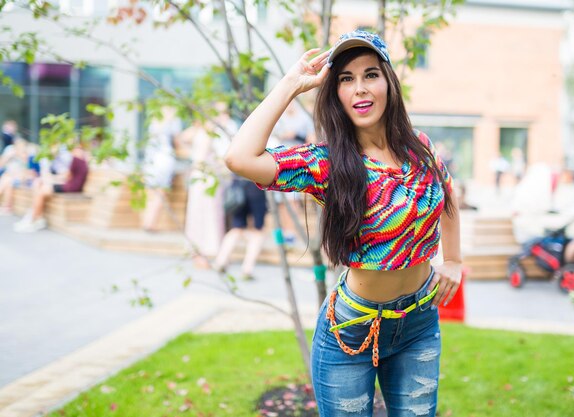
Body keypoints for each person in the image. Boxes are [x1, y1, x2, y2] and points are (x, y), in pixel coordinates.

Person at [223, 30, 461, 416]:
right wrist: (290, 85)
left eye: (370, 74)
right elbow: (239, 157)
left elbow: (448, 196)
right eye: (346, 79)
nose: (359, 88)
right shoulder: (327, 162)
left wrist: (453, 259)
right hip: (350, 329)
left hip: (418, 322)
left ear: (388, 82)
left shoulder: (420, 146)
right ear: (334, 93)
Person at [179, 104, 237, 269]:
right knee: (207, 215)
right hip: (206, 177)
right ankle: (203, 254)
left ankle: (199, 253)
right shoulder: (209, 132)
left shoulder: (201, 130)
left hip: (199, 176)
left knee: (200, 215)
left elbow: (183, 138)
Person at [14, 142, 88, 232]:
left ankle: (33, 219)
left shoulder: (75, 160)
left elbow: (67, 177)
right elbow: (69, 176)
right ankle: (35, 217)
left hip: (70, 187)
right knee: (41, 186)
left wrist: (54, 179)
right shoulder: (83, 161)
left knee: (42, 191)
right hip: (72, 186)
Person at [141, 106, 182, 232]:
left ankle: (147, 222)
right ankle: (152, 224)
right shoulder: (173, 121)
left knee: (151, 193)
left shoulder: (154, 120)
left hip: (151, 160)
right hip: (164, 158)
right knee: (161, 192)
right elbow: (177, 142)